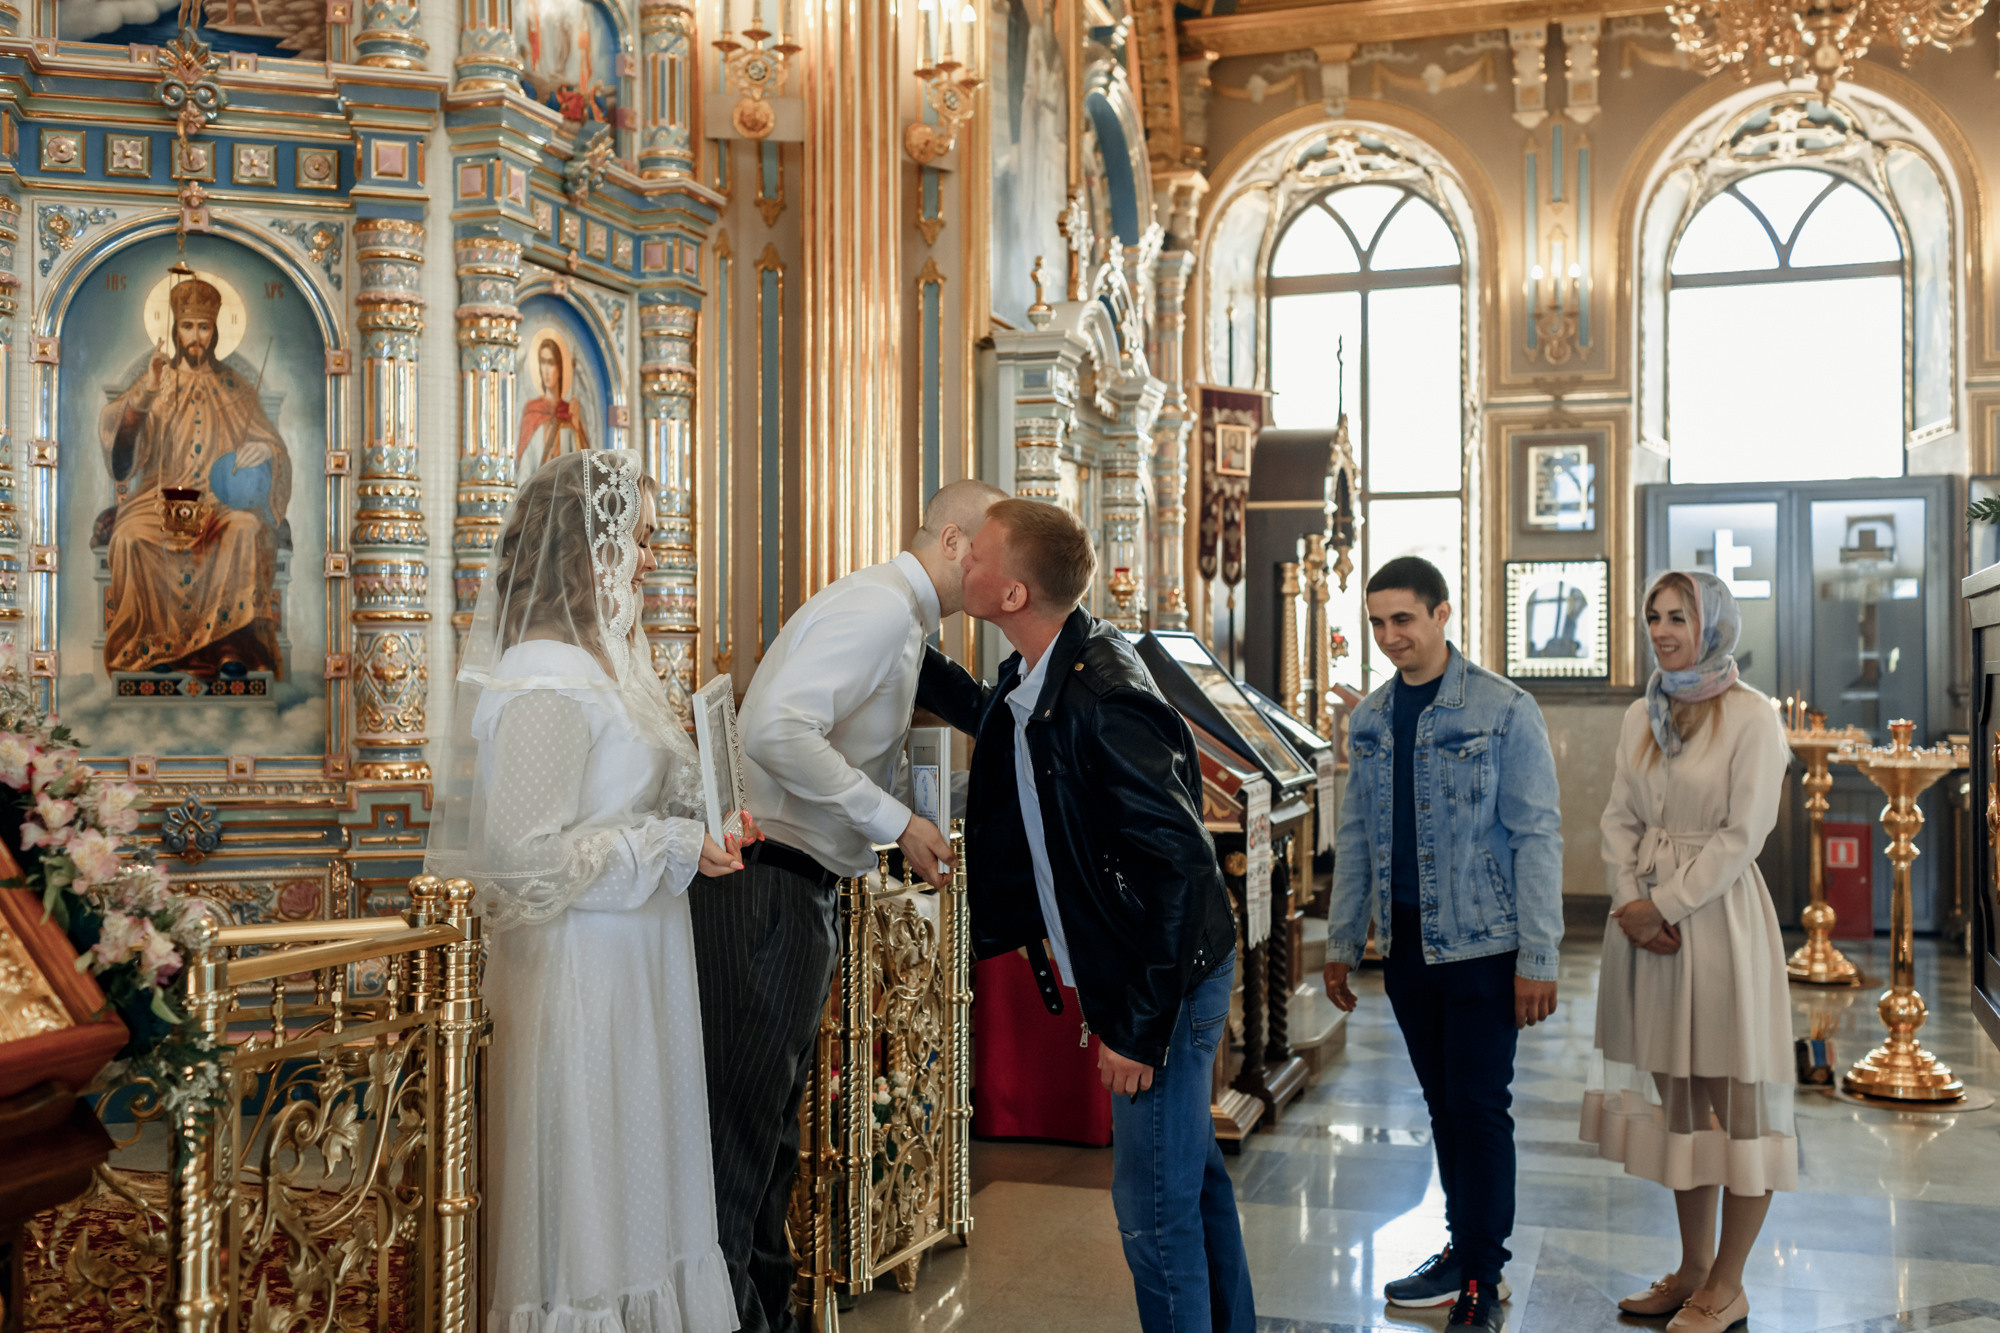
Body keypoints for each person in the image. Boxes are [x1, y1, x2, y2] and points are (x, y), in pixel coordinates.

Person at [424, 449, 748, 1333]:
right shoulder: (541, 677)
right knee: (588, 1198)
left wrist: (703, 814)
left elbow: (615, 794)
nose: (651, 557)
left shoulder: (605, 660)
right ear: (586, 544)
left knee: (638, 1183)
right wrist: (671, 844)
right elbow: (525, 865)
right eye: (640, 539)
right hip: (578, 977)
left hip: (636, 964)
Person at [918, 499, 1254, 1333]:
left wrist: (1139, 1028)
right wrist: (897, 639)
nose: (962, 562)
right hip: (1145, 965)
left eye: (979, 555)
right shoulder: (1040, 670)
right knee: (1191, 1176)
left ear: (1011, 594)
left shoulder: (1103, 694)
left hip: (1164, 978)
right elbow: (998, 720)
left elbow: (1183, 869)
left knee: (1150, 1210)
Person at [700, 478, 1005, 1333]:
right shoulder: (877, 608)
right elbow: (774, 731)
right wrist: (896, 821)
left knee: (770, 1144)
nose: (999, 572)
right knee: (741, 1146)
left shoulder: (902, 622)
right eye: (991, 550)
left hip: (797, 888)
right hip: (766, 889)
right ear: (952, 543)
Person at [1323, 555, 1563, 1333]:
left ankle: (1483, 1277)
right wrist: (1341, 936)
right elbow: (1356, 836)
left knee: (1480, 1106)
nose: (1392, 636)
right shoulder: (1371, 719)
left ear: (1443, 613)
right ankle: (1464, 1249)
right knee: (1442, 1106)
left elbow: (1537, 835)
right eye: (1379, 622)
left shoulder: (1502, 709)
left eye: (1405, 619)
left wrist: (1539, 957)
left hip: (1486, 946)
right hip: (1408, 950)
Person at [1582, 571, 1794, 1333]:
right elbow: (1618, 817)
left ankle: (1731, 1283)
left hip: (1717, 923)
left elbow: (1744, 835)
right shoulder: (1645, 711)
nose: (1664, 629)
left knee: (1736, 1103)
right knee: (1682, 1102)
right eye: (1654, 616)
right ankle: (1694, 1268)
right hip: (1647, 926)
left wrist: (1663, 904)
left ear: (1713, 624)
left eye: (1680, 616)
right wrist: (1627, 902)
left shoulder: (1752, 717)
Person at [98, 267, 291, 678]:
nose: (196, 336)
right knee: (130, 539)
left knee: (246, 530)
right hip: (158, 499)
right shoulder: (155, 382)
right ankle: (152, 647)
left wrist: (265, 452)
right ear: (175, 330)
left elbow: (272, 445)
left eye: (204, 327)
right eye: (188, 326)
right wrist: (145, 394)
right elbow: (122, 457)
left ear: (215, 330)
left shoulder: (236, 387)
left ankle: (228, 645)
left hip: (219, 504)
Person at [515, 335, 592, 479]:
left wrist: (575, 426)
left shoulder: (570, 412)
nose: (546, 370)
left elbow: (585, 468)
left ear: (560, 368)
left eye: (551, 363)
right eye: (542, 362)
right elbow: (524, 467)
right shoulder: (532, 410)